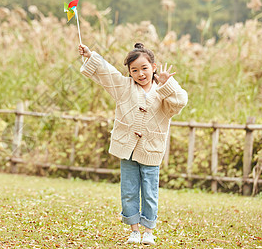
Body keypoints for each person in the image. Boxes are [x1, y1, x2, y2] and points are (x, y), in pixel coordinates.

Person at [78, 43, 188, 245]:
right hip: (127, 149)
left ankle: (148, 231)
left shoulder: (162, 91)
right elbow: (106, 71)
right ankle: (134, 230)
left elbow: (181, 101)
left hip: (151, 151)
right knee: (128, 191)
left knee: (150, 192)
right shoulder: (124, 87)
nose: (140, 74)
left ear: (154, 67)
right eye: (134, 70)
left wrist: (166, 85)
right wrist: (90, 54)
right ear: (129, 72)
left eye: (144, 68)